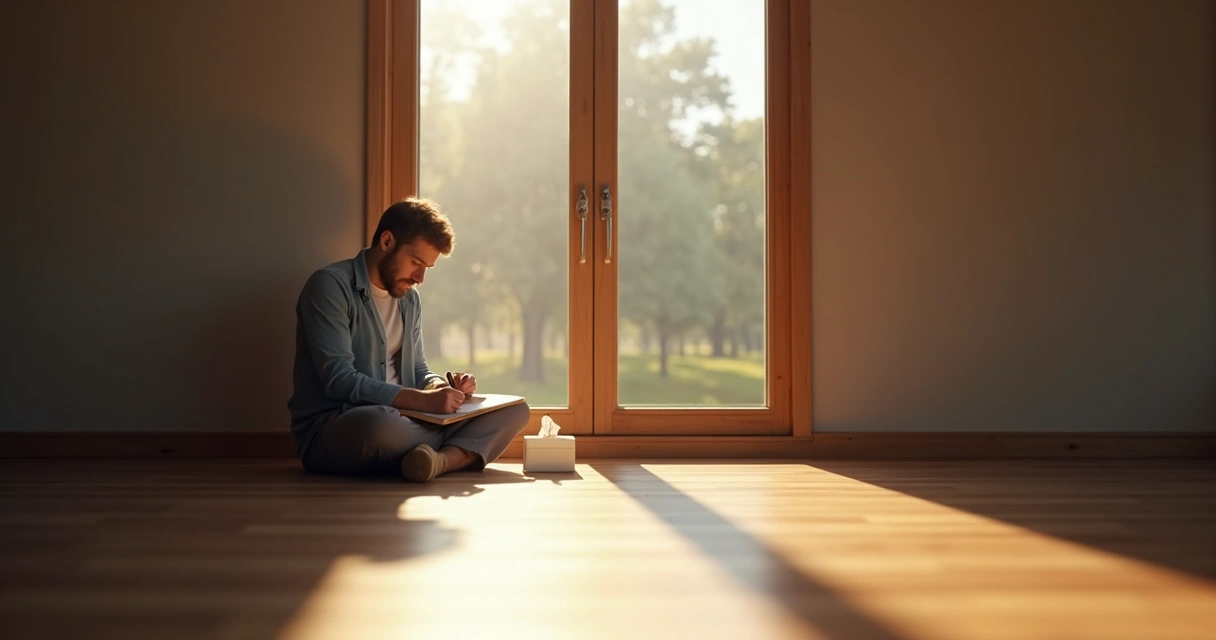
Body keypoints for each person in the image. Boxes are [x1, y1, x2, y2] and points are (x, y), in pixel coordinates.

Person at [288, 198, 530, 482]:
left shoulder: (409, 300)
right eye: (416, 262)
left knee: (516, 410)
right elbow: (339, 379)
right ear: (387, 242)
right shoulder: (329, 286)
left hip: (408, 419)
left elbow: (417, 370)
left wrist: (444, 389)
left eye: (427, 267)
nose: (420, 278)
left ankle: (434, 461)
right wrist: (423, 403)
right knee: (380, 425)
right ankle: (454, 450)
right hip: (344, 424)